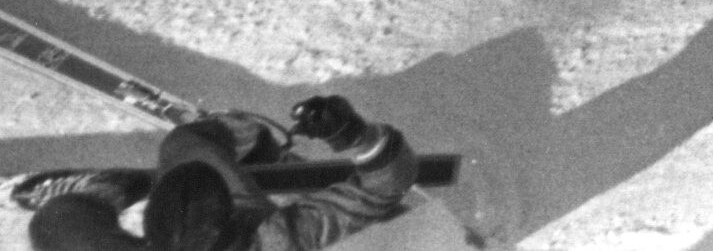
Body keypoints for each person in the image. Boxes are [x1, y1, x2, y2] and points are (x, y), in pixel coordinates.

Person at [21, 102, 417, 251]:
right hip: (238, 209)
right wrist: (355, 136)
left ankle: (107, 190)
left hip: (233, 210)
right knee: (187, 143)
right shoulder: (276, 239)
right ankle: (256, 142)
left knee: (55, 225)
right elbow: (382, 190)